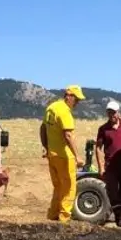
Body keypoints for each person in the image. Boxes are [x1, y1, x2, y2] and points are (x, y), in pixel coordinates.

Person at [40, 85, 84, 223]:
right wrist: (77, 156)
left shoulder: (51, 107)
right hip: (65, 156)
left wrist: (46, 147)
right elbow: (68, 135)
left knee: (58, 186)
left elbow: (43, 128)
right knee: (69, 187)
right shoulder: (65, 111)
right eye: (76, 99)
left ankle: (53, 214)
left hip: (52, 155)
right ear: (69, 96)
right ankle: (64, 218)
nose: (77, 103)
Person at [95, 99, 121, 227]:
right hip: (111, 167)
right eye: (109, 113)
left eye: (114, 113)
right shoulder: (103, 129)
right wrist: (100, 167)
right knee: (112, 192)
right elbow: (98, 148)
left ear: (118, 112)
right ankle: (118, 216)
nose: (112, 115)